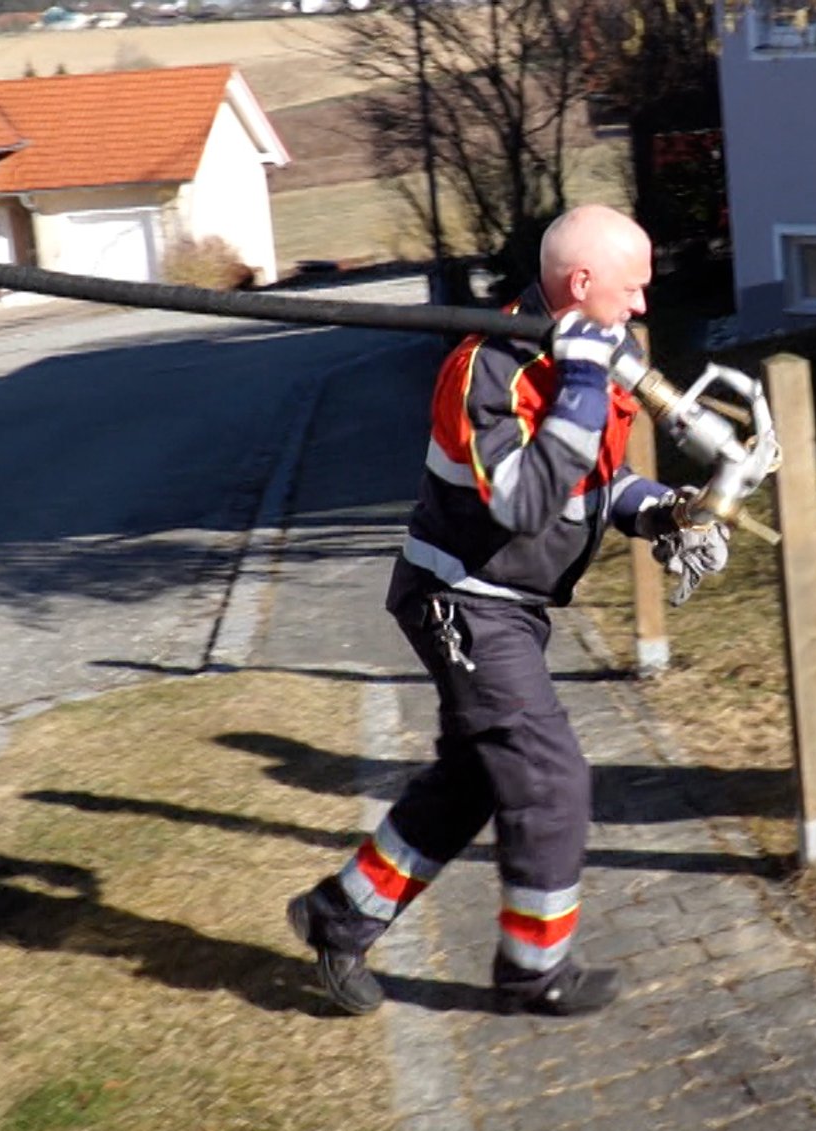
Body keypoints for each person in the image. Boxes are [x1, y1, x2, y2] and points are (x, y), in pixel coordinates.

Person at [286, 205, 730, 1017]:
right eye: (631, 291)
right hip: (463, 601)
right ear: (582, 284)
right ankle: (533, 973)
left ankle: (338, 915)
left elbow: (593, 483)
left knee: (470, 782)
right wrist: (587, 382)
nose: (640, 309)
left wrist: (663, 511)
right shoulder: (487, 370)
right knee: (551, 780)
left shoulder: (600, 353)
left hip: (512, 605)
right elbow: (526, 503)